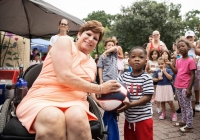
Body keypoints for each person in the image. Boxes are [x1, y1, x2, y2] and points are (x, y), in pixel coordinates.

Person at [16, 20, 121, 140]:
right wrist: (101, 88)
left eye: (95, 38)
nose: (91, 39)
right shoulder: (64, 41)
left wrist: (109, 101)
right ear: (79, 34)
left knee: (79, 119)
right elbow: (64, 77)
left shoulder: (92, 63)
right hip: (43, 97)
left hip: (76, 101)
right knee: (53, 118)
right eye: (88, 34)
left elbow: (88, 88)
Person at [117, 46, 154, 140]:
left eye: (141, 57)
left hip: (143, 119)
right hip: (129, 118)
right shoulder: (124, 76)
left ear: (146, 61)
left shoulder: (147, 78)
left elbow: (147, 97)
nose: (137, 59)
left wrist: (130, 105)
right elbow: (115, 86)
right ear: (128, 61)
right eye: (133, 57)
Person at [166, 38, 196, 133]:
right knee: (182, 105)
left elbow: (192, 75)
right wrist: (170, 64)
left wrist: (189, 89)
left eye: (183, 46)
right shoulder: (178, 60)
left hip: (186, 86)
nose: (181, 48)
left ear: (188, 47)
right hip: (178, 85)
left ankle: (189, 125)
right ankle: (184, 121)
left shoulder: (191, 60)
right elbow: (176, 72)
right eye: (179, 47)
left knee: (187, 106)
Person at [97, 37, 119, 140]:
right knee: (107, 100)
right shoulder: (102, 56)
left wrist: (107, 51)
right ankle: (108, 117)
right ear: (105, 46)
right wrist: (101, 79)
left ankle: (113, 115)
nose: (110, 46)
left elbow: (115, 48)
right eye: (108, 45)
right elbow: (100, 68)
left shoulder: (114, 53)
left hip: (115, 80)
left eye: (111, 44)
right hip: (106, 80)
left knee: (115, 99)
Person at [154, 57, 177, 121]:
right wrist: (158, 79)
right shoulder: (157, 71)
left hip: (167, 87)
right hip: (160, 87)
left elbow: (170, 78)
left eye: (162, 63)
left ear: (165, 64)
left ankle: (174, 113)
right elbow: (154, 79)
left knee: (170, 101)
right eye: (159, 64)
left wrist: (165, 72)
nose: (161, 65)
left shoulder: (168, 70)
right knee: (162, 101)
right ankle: (163, 113)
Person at [185, 30, 200, 112]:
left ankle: (197, 102)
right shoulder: (184, 46)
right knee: (189, 86)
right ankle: (189, 104)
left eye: (191, 37)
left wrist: (193, 46)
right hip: (187, 70)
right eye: (188, 37)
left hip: (196, 68)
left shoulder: (196, 45)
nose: (190, 38)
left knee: (197, 87)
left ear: (194, 37)